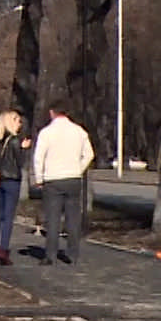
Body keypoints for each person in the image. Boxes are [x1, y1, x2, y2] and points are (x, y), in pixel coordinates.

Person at [30, 102, 95, 266]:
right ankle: (72, 254)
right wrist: (78, 169)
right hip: (73, 179)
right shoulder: (79, 131)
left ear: (52, 113)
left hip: (53, 180)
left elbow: (39, 157)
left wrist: (39, 178)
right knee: (73, 218)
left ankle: (50, 255)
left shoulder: (46, 133)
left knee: (53, 218)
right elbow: (89, 154)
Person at [0, 111, 34, 265]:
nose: (20, 124)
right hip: (11, 180)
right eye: (18, 121)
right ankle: (3, 251)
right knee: (8, 217)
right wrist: (24, 149)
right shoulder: (14, 141)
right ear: (11, 122)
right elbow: (20, 163)